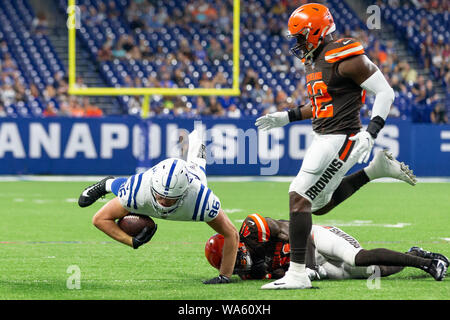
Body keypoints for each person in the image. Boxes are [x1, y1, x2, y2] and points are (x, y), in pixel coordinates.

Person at [255, 3, 416, 289]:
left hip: (341, 138)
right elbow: (321, 104)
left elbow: (385, 92)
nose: (298, 43)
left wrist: (371, 132)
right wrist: (287, 116)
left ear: (316, 30)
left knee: (299, 196)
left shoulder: (345, 55)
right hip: (325, 135)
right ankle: (374, 171)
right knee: (318, 205)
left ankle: (298, 273)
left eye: (300, 36)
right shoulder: (315, 59)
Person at [77, 130, 239, 284]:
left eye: (170, 198)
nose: (163, 201)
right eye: (160, 195)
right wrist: (131, 241)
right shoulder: (139, 188)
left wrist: (224, 276)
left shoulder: (201, 199)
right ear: (153, 185)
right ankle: (107, 183)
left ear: (183, 192)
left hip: (193, 178)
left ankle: (198, 136)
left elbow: (231, 234)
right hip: (144, 193)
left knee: (199, 164)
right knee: (123, 188)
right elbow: (99, 219)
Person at [205, 214, 448, 282]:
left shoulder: (254, 228)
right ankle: (416, 254)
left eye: (235, 257)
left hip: (315, 237)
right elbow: (280, 272)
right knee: (376, 271)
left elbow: (302, 233)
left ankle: (429, 264)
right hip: (315, 268)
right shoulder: (249, 272)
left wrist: (306, 267)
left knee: (357, 258)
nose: (239, 263)